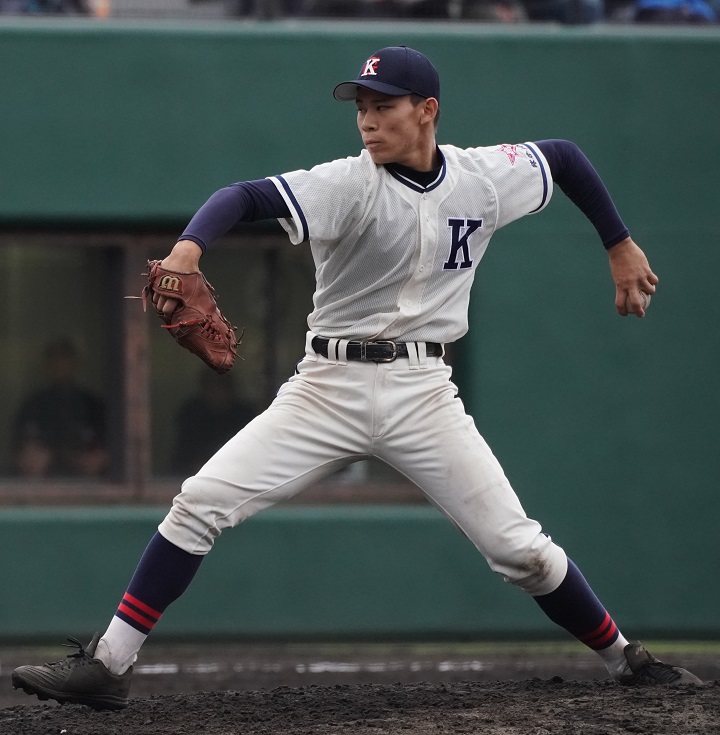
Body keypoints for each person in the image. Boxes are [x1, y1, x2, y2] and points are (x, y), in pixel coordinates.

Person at [12, 45, 702, 711]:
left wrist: (619, 243)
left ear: (427, 110)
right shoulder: (347, 182)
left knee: (520, 551)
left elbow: (567, 158)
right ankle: (109, 664)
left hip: (423, 393)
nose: (367, 121)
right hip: (327, 387)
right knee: (200, 500)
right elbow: (241, 196)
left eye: (383, 106)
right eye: (360, 107)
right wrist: (188, 250)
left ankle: (628, 660)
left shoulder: (482, 178)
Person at [11, 338, 108, 479]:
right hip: (41, 486)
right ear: (46, 365)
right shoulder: (32, 406)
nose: (60, 365)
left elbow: (106, 452)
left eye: (65, 359)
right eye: (54, 360)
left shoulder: (94, 406)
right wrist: (32, 457)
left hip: (89, 485)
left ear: (75, 364)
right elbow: (20, 450)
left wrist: (92, 458)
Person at [172, 371, 258, 476]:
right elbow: (184, 452)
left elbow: (251, 452)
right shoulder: (192, 413)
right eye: (211, 387)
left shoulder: (243, 414)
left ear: (230, 390)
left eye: (221, 387)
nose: (216, 392)